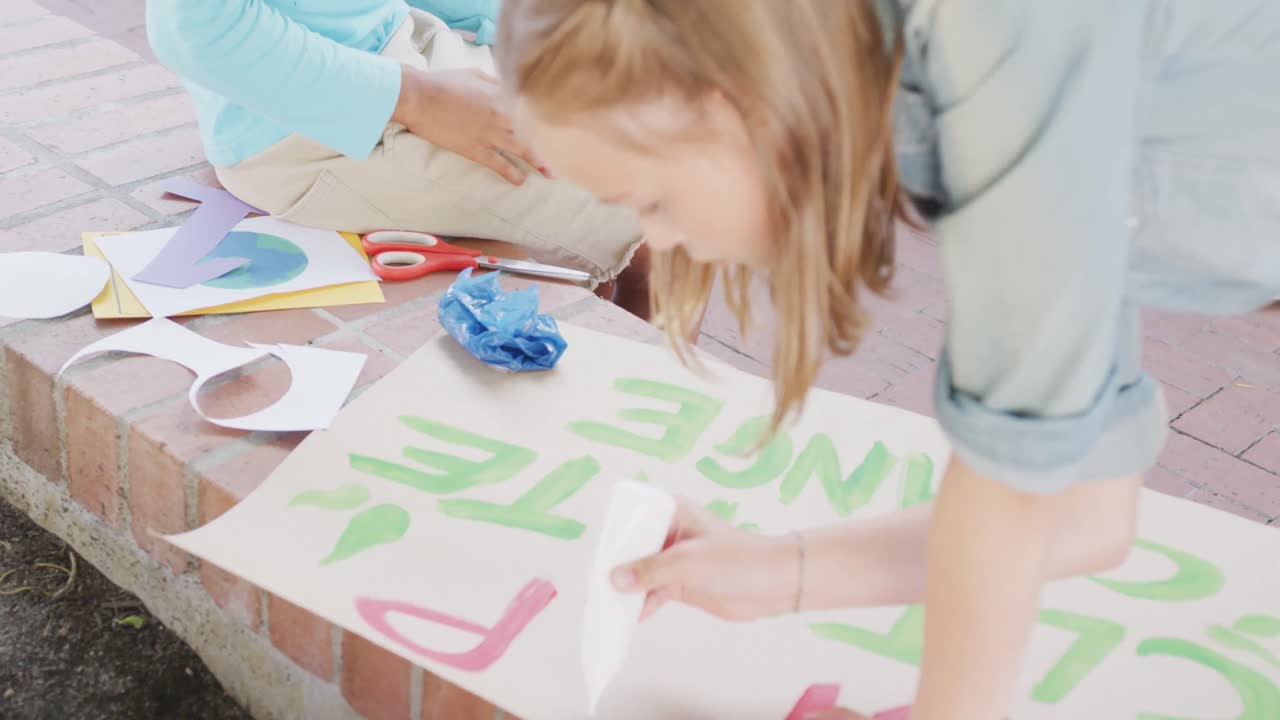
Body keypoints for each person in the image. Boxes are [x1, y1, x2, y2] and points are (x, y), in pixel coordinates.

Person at [493, 0, 1280, 717]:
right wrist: (776, 572)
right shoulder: (960, 99)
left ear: (736, 102)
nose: (655, 240)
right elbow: (1086, 516)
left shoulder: (996, 42)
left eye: (650, 199)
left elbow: (1009, 491)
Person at [144, 0, 650, 314]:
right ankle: (661, 437)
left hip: (400, 57)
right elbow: (193, 26)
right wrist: (417, 100)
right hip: (309, 131)